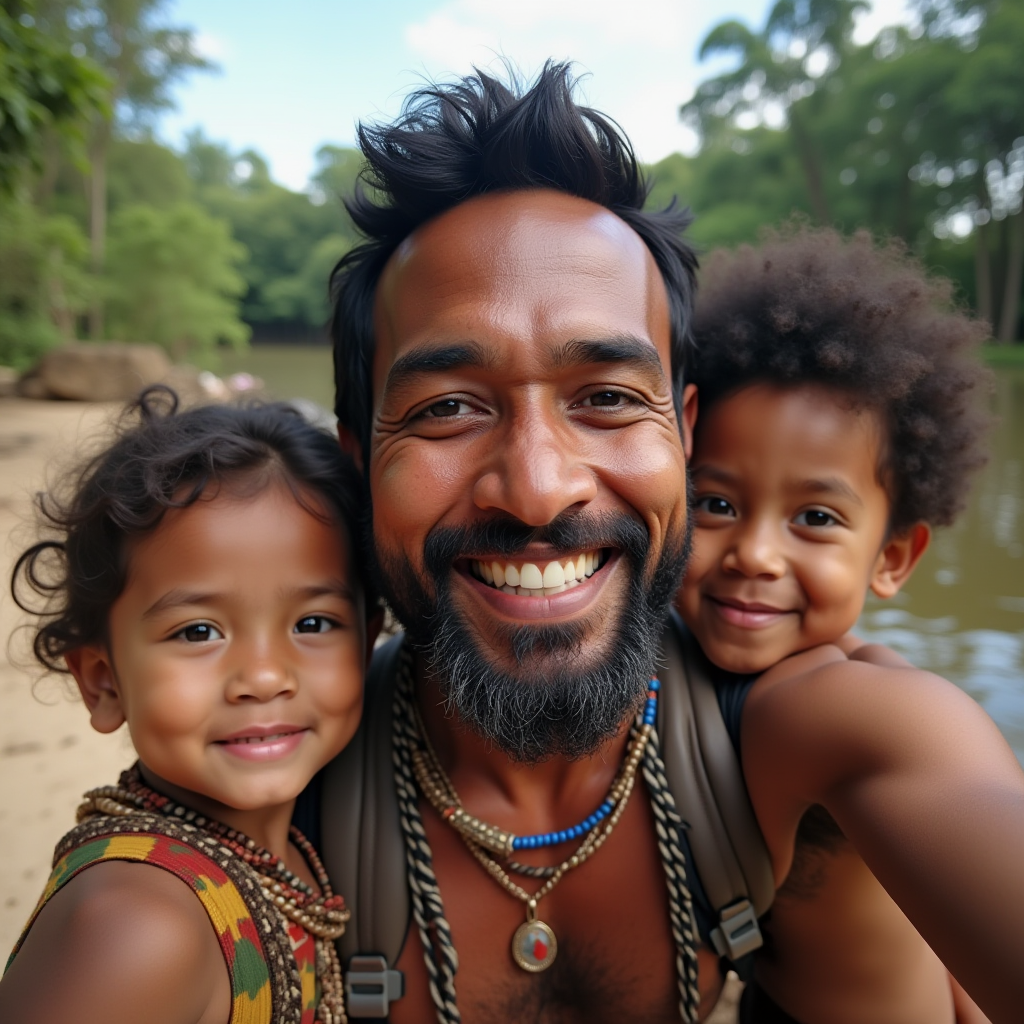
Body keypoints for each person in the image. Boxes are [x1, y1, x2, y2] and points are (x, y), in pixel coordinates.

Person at [319, 63, 1024, 1024]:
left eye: (606, 398)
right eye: (447, 408)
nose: (536, 488)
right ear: (360, 460)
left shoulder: (802, 742)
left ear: (684, 434)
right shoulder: (280, 785)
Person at [677, 227, 993, 1024]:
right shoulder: (668, 660)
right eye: (715, 503)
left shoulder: (853, 704)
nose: (754, 554)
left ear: (891, 557)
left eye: (815, 518)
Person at [0, 388, 381, 1024]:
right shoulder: (138, 925)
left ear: (367, 647)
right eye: (198, 632)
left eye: (313, 623)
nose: (262, 678)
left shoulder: (287, 860)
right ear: (103, 682)